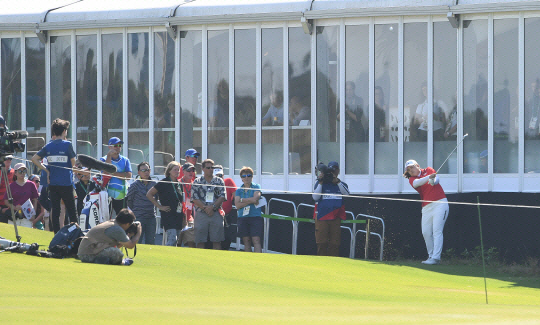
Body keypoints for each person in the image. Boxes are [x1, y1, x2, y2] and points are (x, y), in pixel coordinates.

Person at [31, 118, 84, 233]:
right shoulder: (67, 145)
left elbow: (34, 159)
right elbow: (73, 165)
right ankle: (75, 235)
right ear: (64, 131)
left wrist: (47, 170)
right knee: (72, 211)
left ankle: (56, 236)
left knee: (55, 211)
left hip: (53, 184)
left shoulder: (49, 146)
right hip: (66, 184)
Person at [403, 159, 449, 265]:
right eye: (409, 170)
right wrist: (429, 177)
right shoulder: (412, 179)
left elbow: (436, 180)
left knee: (437, 231)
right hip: (426, 208)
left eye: (412, 167)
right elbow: (417, 183)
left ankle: (436, 258)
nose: (411, 171)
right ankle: (431, 256)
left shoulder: (429, 169)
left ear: (417, 165)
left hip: (440, 203)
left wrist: (433, 180)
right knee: (426, 232)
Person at [312, 161, 350, 257]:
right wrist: (321, 181)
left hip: (336, 217)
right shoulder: (320, 183)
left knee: (335, 243)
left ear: (338, 170)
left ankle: (334, 263)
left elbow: (347, 194)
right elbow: (315, 197)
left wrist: (337, 182)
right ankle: (321, 263)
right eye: (331, 170)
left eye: (335, 170)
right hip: (322, 216)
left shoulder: (341, 184)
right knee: (321, 242)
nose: (333, 173)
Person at [146, 161, 184, 246]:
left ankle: (173, 258)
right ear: (169, 171)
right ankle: (165, 253)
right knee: (173, 239)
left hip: (178, 215)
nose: (177, 172)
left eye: (178, 170)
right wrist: (159, 206)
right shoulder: (164, 182)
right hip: (168, 215)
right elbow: (149, 194)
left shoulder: (179, 184)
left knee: (178, 241)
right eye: (175, 170)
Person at [191, 159, 226, 250]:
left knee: (217, 240)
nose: (211, 169)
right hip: (201, 214)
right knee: (200, 240)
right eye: (208, 167)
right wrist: (205, 208)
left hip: (216, 213)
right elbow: (194, 198)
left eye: (212, 168)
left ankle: (216, 261)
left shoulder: (219, 181)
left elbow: (222, 196)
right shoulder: (197, 181)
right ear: (202, 169)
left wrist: (212, 207)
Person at [126, 162, 157, 245]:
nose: (146, 172)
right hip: (138, 217)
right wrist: (135, 213)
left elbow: (156, 199)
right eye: (143, 170)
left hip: (151, 217)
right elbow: (129, 201)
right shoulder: (134, 185)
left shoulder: (154, 184)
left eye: (147, 170)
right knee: (137, 241)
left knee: (151, 242)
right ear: (139, 172)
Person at [101, 137, 132, 216]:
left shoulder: (125, 160)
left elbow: (128, 176)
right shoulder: (103, 159)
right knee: (107, 218)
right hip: (106, 194)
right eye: (115, 145)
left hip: (122, 195)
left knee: (123, 218)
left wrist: (113, 173)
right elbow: (105, 173)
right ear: (109, 147)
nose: (118, 147)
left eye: (120, 145)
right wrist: (108, 156)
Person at [234, 167, 263, 253]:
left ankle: (258, 260)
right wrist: (250, 201)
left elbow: (255, 199)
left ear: (252, 177)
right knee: (246, 241)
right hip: (243, 217)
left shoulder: (256, 186)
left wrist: (242, 200)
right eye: (244, 176)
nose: (246, 178)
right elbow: (237, 205)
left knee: (256, 240)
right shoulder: (239, 190)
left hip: (255, 217)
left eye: (249, 175)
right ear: (241, 178)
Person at [3, 163, 40, 229]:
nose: (22, 173)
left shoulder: (31, 184)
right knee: (13, 237)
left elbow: (35, 199)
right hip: (14, 216)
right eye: (20, 171)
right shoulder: (11, 186)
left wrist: (33, 213)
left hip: (27, 216)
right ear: (15, 173)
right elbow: (6, 201)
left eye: (24, 171)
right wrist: (14, 207)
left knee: (27, 237)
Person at [213, 164, 237, 250]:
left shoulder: (228, 181)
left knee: (226, 239)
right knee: (213, 240)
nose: (218, 178)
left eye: (220, 175)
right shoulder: (208, 183)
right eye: (216, 176)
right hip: (212, 215)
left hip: (226, 217)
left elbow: (236, 196)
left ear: (223, 175)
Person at [178, 162, 196, 248]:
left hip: (189, 217)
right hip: (178, 217)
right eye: (189, 170)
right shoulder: (178, 183)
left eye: (193, 170)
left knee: (192, 242)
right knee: (176, 243)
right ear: (183, 171)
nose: (191, 172)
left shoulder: (195, 185)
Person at [0, 155, 15, 223]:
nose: (8, 160)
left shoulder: (15, 173)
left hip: (11, 206)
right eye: (6, 158)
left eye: (10, 158)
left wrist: (10, 207)